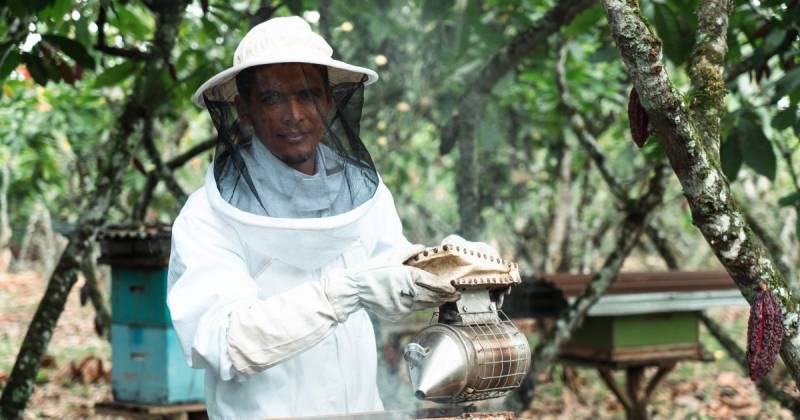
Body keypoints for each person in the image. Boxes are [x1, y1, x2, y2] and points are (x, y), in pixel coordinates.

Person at [167, 16, 462, 419]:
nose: (295, 115)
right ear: (244, 109)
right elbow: (225, 342)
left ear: (329, 101)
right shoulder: (206, 216)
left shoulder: (362, 196)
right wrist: (342, 293)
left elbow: (392, 280)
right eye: (273, 98)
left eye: (308, 95)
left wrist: (447, 266)